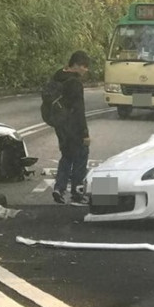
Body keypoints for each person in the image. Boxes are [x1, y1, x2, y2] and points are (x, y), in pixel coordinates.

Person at [50, 51, 91, 206]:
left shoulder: (58, 76)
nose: (85, 70)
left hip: (59, 124)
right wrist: (85, 133)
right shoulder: (74, 83)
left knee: (67, 155)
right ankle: (77, 194)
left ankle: (59, 189)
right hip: (73, 125)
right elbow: (79, 110)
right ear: (75, 65)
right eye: (83, 66)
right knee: (81, 155)